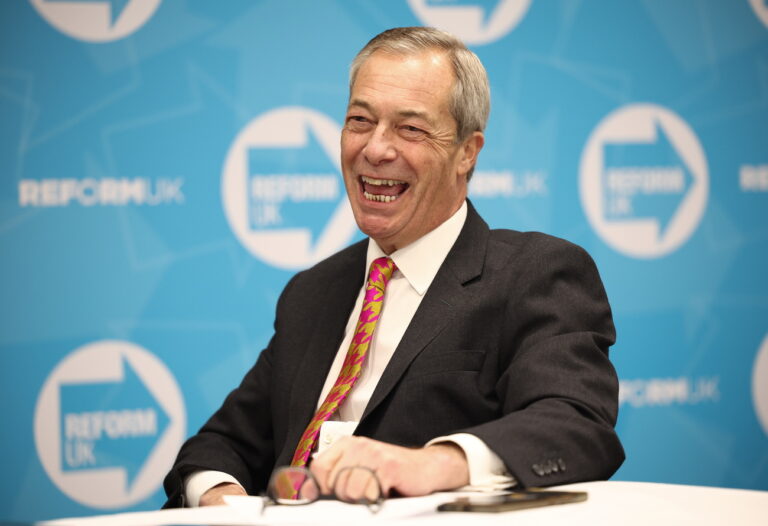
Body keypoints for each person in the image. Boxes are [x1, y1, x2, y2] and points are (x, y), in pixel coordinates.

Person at [163, 26, 624, 508]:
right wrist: (220, 499)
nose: (376, 149)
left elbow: (576, 423)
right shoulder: (312, 291)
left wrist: (432, 464)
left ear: (467, 151)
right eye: (360, 120)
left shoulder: (534, 273)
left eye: (411, 129)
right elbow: (221, 445)